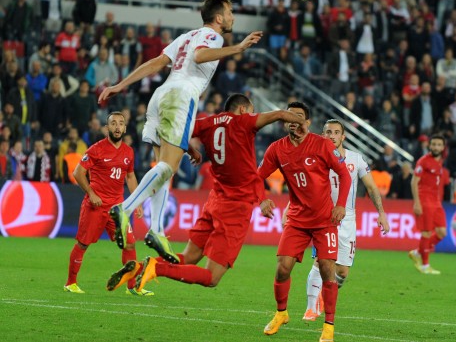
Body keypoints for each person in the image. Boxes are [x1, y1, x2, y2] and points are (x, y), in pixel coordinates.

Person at [98, 0, 263, 264]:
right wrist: (238, 48)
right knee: (168, 167)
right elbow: (200, 56)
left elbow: (156, 62)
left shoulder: (186, 36)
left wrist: (120, 85)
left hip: (161, 94)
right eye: (230, 12)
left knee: (163, 168)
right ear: (218, 18)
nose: (233, 17)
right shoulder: (214, 36)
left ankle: (156, 230)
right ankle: (124, 209)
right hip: (182, 96)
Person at [105, 94, 303, 293]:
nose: (253, 114)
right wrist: (301, 122)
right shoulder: (243, 121)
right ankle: (156, 268)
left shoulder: (208, 122)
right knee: (211, 277)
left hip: (215, 201)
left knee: (188, 257)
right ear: (243, 110)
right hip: (235, 207)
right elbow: (278, 114)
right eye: (251, 111)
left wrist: (191, 150)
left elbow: (178, 133)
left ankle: (138, 267)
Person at [257, 101, 351, 342]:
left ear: (307, 122)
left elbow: (344, 174)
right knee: (282, 268)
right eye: (289, 116)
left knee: (328, 269)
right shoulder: (277, 149)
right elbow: (257, 177)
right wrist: (261, 199)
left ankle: (328, 326)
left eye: (298, 116)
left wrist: (340, 204)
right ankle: (281, 313)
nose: (293, 120)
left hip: (324, 219)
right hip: (297, 219)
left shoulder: (322, 144)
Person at [302, 119, 390, 321]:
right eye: (328, 132)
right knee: (321, 261)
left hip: (347, 218)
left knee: (342, 271)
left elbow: (371, 187)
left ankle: (323, 296)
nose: (332, 135)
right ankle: (311, 308)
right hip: (323, 216)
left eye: (336, 132)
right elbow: (304, 186)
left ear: (343, 136)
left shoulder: (356, 159)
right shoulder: (315, 158)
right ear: (323, 135)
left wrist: (381, 213)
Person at [64, 112, 152, 296]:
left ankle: (132, 287)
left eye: (121, 123)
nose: (117, 127)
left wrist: (137, 201)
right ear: (107, 128)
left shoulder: (129, 152)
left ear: (125, 128)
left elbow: (130, 177)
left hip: (117, 208)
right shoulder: (96, 149)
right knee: (83, 244)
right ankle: (71, 283)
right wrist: (91, 193)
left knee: (129, 244)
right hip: (95, 206)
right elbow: (78, 173)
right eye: (113, 123)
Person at [408, 134, 447, 275]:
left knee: (442, 232)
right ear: (429, 146)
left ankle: (418, 252)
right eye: (433, 144)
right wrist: (417, 203)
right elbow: (414, 182)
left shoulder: (440, 162)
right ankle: (425, 266)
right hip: (424, 200)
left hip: (436, 201)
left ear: (443, 147)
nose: (436, 147)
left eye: (439, 145)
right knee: (426, 232)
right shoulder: (423, 161)